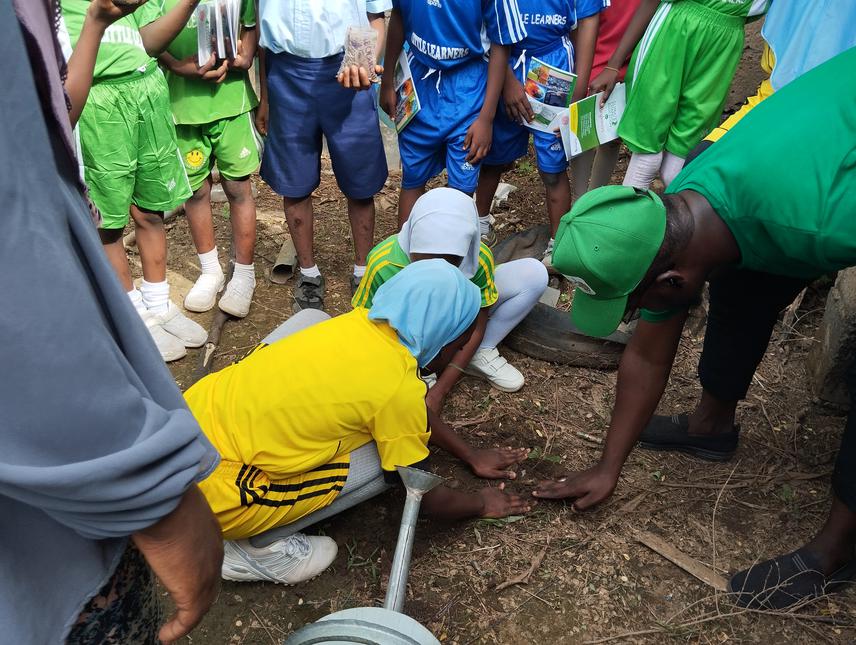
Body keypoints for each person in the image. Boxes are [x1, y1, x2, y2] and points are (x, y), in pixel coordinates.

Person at [535, 48, 856, 609]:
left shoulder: (820, 219)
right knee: (742, 278)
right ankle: (711, 425)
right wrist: (609, 467)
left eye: (630, 306)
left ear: (674, 282)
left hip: (825, 185)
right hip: (819, 135)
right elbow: (650, 353)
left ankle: (838, 550)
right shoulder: (676, 219)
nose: (635, 319)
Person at [2, 2, 223, 643]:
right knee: (116, 223)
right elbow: (17, 281)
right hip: (58, 565)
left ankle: (156, 303)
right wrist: (154, 496)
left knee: (151, 214)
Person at [184, 260, 532, 584]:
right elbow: (423, 495)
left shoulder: (360, 321)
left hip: (185, 429)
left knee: (311, 320)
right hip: (214, 496)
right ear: (441, 338)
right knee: (384, 467)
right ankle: (255, 548)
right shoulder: (396, 385)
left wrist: (469, 453)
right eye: (458, 343)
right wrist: (482, 503)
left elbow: (407, 408)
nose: (457, 353)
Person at [61, 0, 210, 363]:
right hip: (98, 101)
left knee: (150, 209)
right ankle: (133, 313)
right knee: (108, 221)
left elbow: (147, 41)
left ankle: (158, 303)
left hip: (146, 90)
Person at [255, 0, 390, 311]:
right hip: (286, 75)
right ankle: (309, 272)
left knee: (360, 181)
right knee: (295, 182)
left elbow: (375, 18)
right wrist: (266, 95)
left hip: (348, 70)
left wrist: (363, 64)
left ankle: (363, 270)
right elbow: (263, 33)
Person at [353, 188, 548, 402]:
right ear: (413, 240)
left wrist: (441, 389)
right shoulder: (384, 263)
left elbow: (479, 321)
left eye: (451, 261)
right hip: (405, 337)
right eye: (428, 261)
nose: (440, 271)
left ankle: (479, 351)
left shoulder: (479, 257)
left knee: (535, 274)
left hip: (459, 315)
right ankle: (416, 367)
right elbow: (365, 327)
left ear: (468, 247)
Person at [589, 0, 769, 191]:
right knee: (646, 154)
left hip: (726, 37)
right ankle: (622, 218)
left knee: (678, 162)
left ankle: (666, 217)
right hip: (676, 29)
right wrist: (613, 65)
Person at [380, 0, 527, 227]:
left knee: (461, 187)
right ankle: (407, 257)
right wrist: (388, 81)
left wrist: (486, 118)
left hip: (467, 89)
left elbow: (501, 42)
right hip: (420, 83)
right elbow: (398, 16)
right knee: (413, 177)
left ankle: (454, 258)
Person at [159, 0, 262, 318]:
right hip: (183, 104)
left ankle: (244, 273)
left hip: (231, 102)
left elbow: (250, 26)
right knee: (196, 191)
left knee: (237, 188)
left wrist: (245, 54)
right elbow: (147, 33)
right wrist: (176, 65)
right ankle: (210, 270)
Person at [475, 0, 604, 251]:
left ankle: (558, 245)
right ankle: (479, 228)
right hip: (503, 62)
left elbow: (589, 19)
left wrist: (578, 90)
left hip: (554, 66)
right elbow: (483, 22)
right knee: (492, 157)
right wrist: (507, 81)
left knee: (553, 168)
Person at [570, 0, 641, 198]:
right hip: (592, 54)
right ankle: (580, 198)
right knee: (584, 130)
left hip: (630, 56)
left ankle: (594, 198)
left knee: (611, 135)